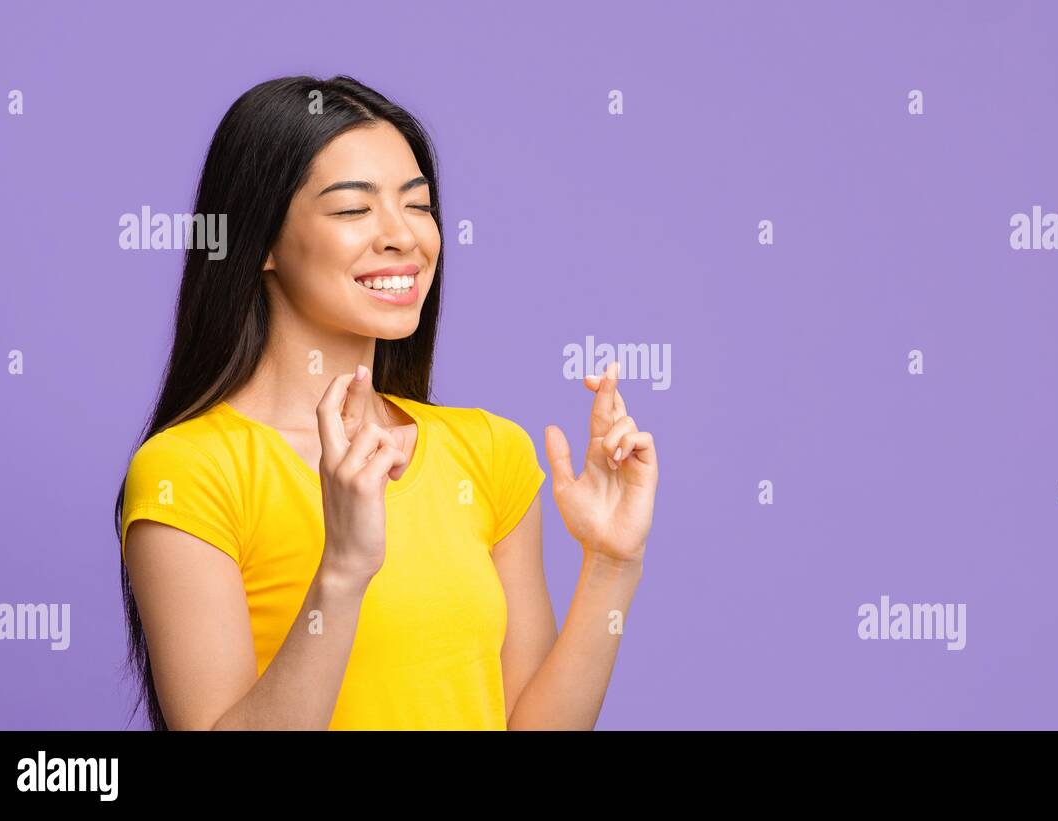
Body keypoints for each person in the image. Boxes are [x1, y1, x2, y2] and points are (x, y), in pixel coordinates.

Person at [115, 76, 658, 730]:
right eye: (353, 209)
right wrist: (343, 570)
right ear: (259, 242)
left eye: (418, 205)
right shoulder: (188, 471)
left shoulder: (489, 452)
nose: (403, 236)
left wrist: (611, 564)